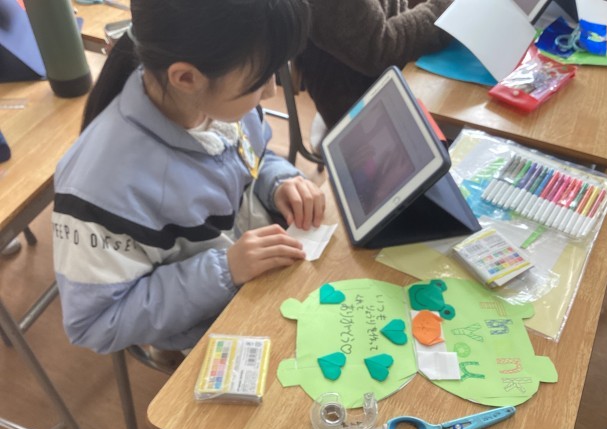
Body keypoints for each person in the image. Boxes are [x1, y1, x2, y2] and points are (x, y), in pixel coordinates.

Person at [52, 0, 325, 358]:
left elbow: (252, 156)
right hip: (211, 325)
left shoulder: (218, 101)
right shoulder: (102, 187)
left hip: (259, 273)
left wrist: (278, 180)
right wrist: (225, 269)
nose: (271, 91)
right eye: (260, 80)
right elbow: (96, 323)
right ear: (185, 78)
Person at [297, 0, 453, 133]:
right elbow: (382, 47)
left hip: (393, 73)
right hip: (364, 111)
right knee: (457, 121)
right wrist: (447, 11)